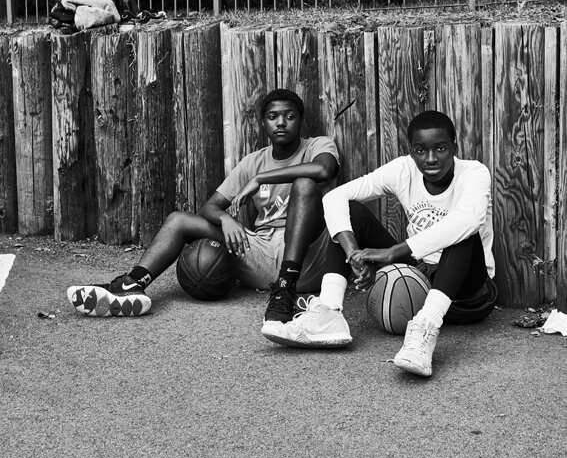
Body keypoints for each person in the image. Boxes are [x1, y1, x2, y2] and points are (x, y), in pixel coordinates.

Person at [67, 89, 340, 333]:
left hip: (306, 256)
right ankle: (130, 285)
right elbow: (209, 206)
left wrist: (262, 179)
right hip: (261, 250)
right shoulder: (252, 162)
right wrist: (226, 220)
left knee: (305, 185)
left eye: (289, 116)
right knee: (179, 220)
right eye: (273, 116)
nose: (281, 122)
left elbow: (324, 170)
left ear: (300, 120)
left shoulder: (318, 145)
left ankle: (285, 291)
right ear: (264, 123)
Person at [262, 110, 497, 378]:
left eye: (441, 148)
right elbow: (336, 196)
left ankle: (425, 328)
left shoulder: (474, 173)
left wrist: (392, 252)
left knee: (462, 231)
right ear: (411, 152)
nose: (430, 158)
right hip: (421, 278)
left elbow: (468, 220)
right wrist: (353, 252)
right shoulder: (403, 170)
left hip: (469, 293)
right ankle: (328, 314)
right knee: (350, 211)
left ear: (455, 147)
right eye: (421, 150)